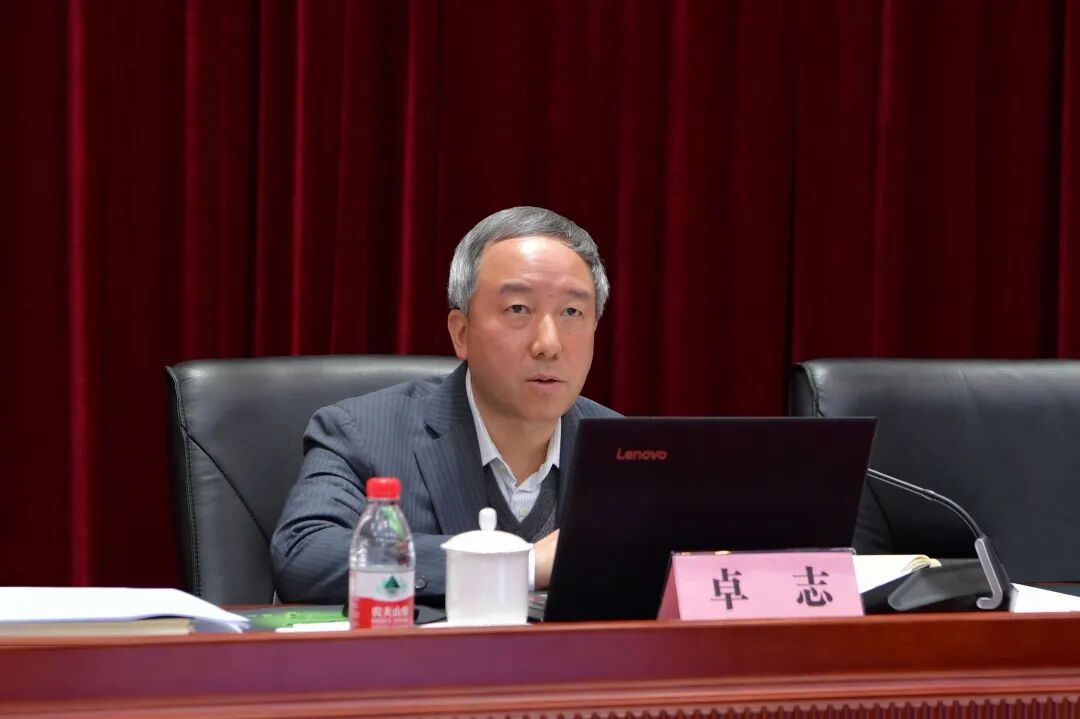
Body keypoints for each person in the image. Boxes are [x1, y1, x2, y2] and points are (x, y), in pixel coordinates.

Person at [271, 206, 620, 603]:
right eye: (518, 309)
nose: (548, 345)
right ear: (461, 333)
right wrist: (517, 565)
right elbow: (304, 555)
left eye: (572, 312)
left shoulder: (625, 451)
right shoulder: (360, 433)